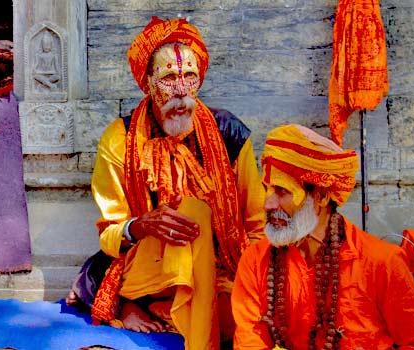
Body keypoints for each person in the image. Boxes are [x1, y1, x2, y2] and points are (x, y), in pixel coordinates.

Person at [67, 17, 265, 350]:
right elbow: (109, 235)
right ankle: (196, 337)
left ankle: (154, 310)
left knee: (238, 316)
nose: (181, 91)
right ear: (147, 83)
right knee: (192, 212)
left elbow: (256, 222)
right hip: (149, 267)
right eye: (169, 78)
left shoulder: (228, 132)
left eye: (190, 76)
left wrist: (254, 280)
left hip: (219, 268)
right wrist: (141, 226)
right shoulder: (120, 138)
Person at [232, 124, 414, 350]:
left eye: (281, 191)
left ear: (320, 196)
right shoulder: (255, 261)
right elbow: (249, 343)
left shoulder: (381, 263)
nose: (267, 204)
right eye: (267, 189)